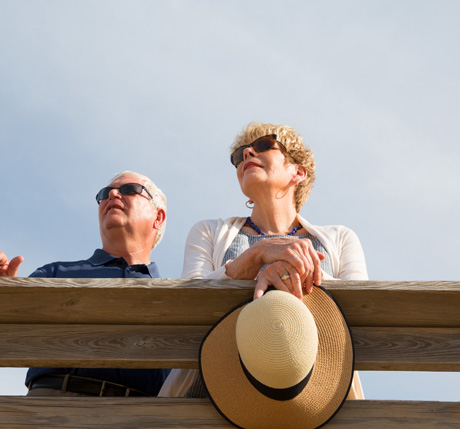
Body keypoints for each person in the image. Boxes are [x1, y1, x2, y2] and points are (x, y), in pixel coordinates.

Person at [159, 122, 368, 399]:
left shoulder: (341, 239)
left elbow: (361, 314)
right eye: (239, 155)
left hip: (315, 396)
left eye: (263, 145)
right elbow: (187, 306)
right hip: (212, 393)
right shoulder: (208, 231)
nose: (246, 154)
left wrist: (284, 270)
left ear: (298, 171)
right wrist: (256, 256)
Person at [0, 170, 169, 397]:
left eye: (129, 190)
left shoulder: (174, 294)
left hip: (147, 417)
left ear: (157, 217)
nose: (113, 195)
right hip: (51, 409)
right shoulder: (56, 272)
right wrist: (6, 299)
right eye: (105, 193)